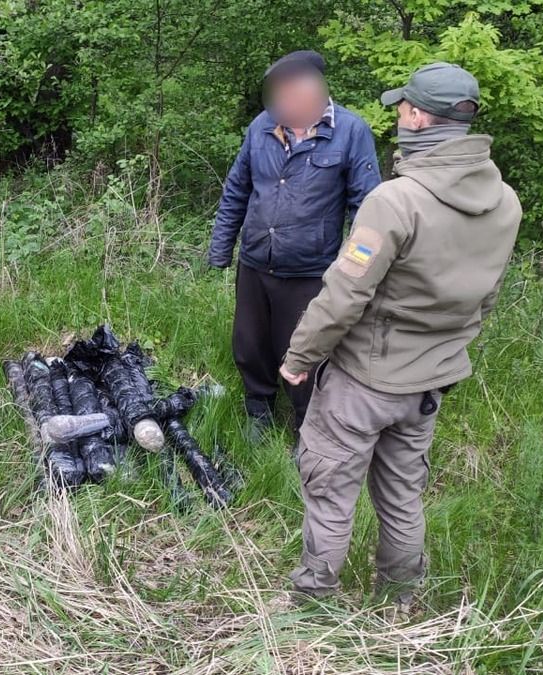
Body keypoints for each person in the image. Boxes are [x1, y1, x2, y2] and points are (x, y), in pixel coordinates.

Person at [279, 63, 522, 610]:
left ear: (416, 117)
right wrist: (446, 349)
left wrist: (300, 358)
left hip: (364, 379)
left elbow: (344, 294)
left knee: (330, 490)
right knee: (402, 495)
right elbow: (486, 296)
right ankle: (400, 601)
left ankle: (312, 604)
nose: (397, 117)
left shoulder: (396, 200)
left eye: (401, 108)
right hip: (430, 383)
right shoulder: (505, 202)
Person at [208, 50, 381, 434]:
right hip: (255, 262)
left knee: (305, 348)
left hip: (310, 270)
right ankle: (258, 407)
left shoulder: (351, 132)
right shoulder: (262, 127)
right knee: (250, 343)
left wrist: (354, 274)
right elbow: (237, 189)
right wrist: (221, 249)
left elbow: (369, 213)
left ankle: (306, 423)